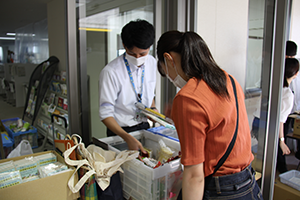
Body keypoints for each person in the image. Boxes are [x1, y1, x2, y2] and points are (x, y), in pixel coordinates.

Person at [156, 30, 262, 199]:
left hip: (222, 190)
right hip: (249, 183)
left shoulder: (187, 98)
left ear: (169, 59)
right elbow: (221, 130)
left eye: (165, 70)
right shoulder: (229, 80)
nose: (169, 77)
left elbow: (194, 176)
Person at [99, 19, 157, 152]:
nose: (137, 58)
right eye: (132, 54)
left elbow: (149, 91)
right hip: (119, 131)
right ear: (124, 45)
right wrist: (127, 137)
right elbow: (105, 114)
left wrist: (153, 109)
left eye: (142, 54)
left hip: (143, 125)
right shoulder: (111, 72)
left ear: (150, 47)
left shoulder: (152, 62)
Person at [276, 58, 299, 173]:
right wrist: (281, 140)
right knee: (279, 157)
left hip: (260, 123)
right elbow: (280, 120)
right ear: (295, 73)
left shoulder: (274, 87)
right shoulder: (287, 93)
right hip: (274, 129)